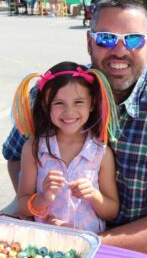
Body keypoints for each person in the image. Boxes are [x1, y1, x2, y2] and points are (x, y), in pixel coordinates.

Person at [2, 0, 147, 257]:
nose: (119, 51)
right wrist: (41, 205)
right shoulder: (51, 92)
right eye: (106, 38)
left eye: (133, 40)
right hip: (49, 230)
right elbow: (16, 157)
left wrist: (83, 243)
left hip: (133, 243)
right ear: (89, 42)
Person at [12, 61, 119, 231]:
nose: (69, 112)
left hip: (88, 245)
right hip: (45, 242)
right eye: (58, 103)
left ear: (92, 104)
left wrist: (94, 195)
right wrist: (43, 198)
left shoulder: (101, 153)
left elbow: (111, 211)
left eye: (78, 102)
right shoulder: (33, 149)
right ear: (45, 106)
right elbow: (23, 205)